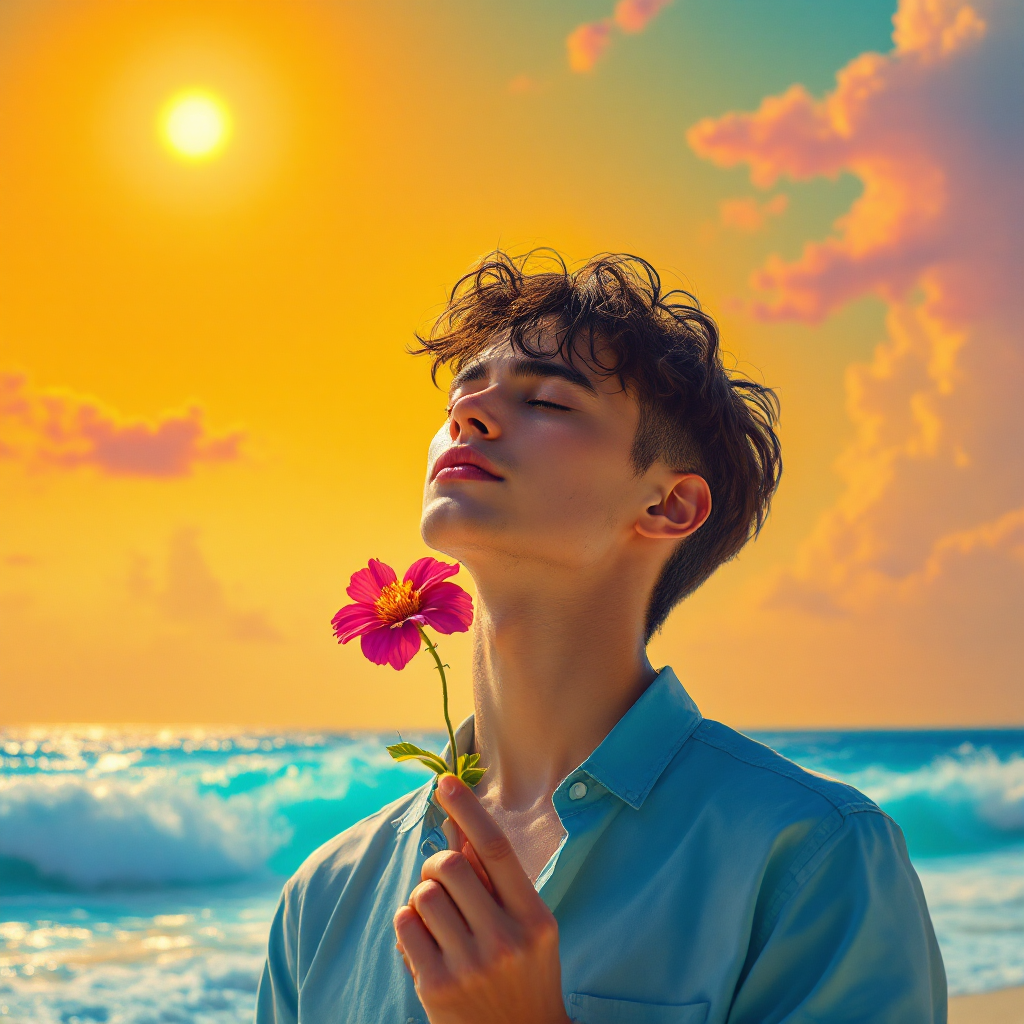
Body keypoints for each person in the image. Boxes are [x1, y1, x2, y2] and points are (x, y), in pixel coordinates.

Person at [255, 251, 946, 1024]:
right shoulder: (324, 895)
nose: (467, 417)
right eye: (463, 394)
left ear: (669, 506)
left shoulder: (813, 859)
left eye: (548, 401)